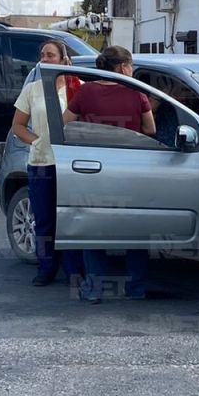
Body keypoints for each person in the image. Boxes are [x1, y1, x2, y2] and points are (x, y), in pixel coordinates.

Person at [65, 45, 154, 302]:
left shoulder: (85, 91)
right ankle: (136, 289)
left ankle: (93, 289)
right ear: (123, 67)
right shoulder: (138, 93)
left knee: (94, 229)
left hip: (95, 168)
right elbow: (150, 130)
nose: (133, 70)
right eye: (132, 66)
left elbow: (64, 123)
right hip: (132, 169)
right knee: (137, 230)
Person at [11, 39, 83, 286]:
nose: (45, 59)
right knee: (43, 218)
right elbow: (17, 126)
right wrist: (36, 140)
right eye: (42, 55)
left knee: (70, 218)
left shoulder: (78, 87)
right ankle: (46, 267)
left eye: (50, 55)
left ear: (63, 59)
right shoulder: (33, 89)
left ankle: (75, 270)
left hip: (70, 164)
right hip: (42, 163)